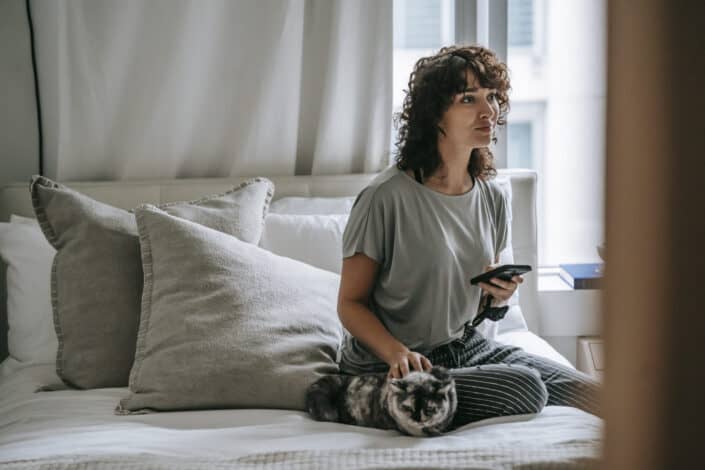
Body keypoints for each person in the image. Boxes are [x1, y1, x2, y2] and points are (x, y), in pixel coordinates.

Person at [337, 44, 600, 426]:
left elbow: (476, 309)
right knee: (526, 388)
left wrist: (499, 296)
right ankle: (363, 393)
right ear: (435, 115)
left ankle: (411, 402)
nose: (488, 110)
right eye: (468, 98)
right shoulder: (385, 198)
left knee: (599, 396)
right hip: (389, 360)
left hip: (465, 349)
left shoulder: (492, 196)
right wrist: (396, 353)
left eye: (492, 97)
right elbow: (350, 303)